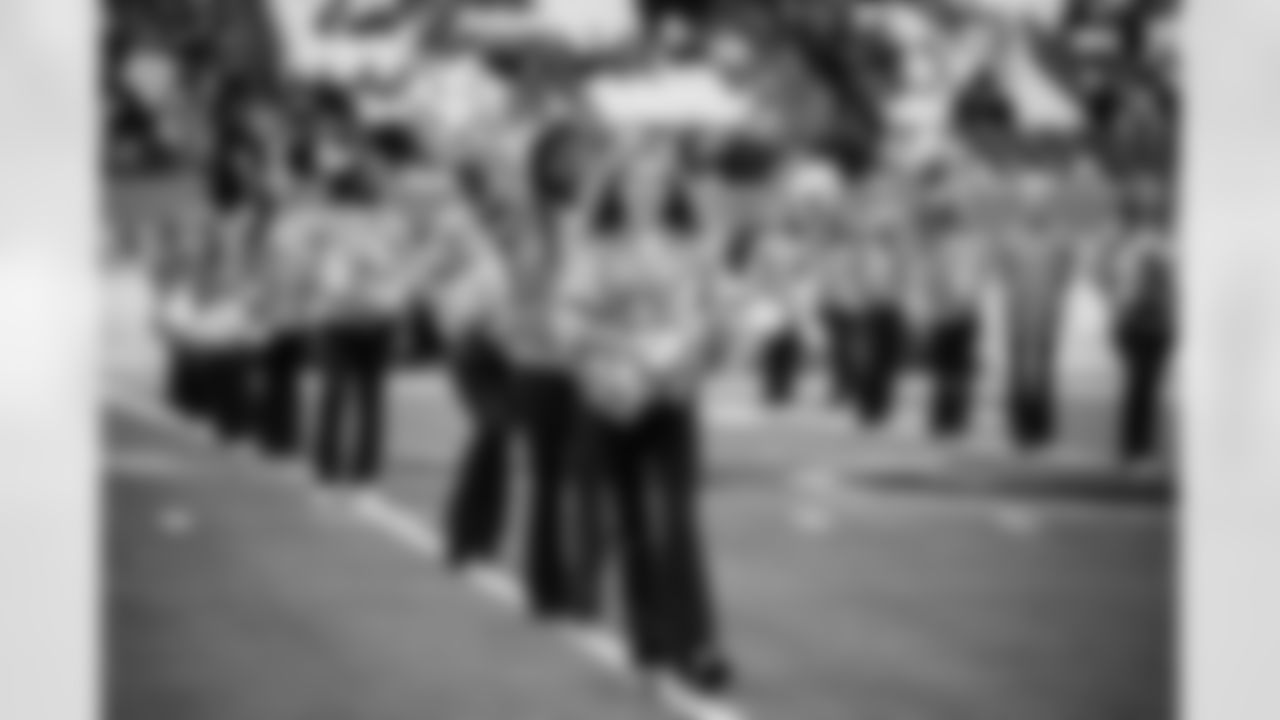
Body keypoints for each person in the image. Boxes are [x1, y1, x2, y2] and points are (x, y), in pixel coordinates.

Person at [560, 163, 734, 693]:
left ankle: (699, 645)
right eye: (635, 182)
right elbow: (569, 322)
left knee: (678, 519)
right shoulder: (593, 249)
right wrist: (619, 355)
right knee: (634, 519)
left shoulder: (695, 250)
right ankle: (650, 637)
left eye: (658, 182)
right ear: (616, 189)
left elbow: (720, 320)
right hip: (613, 396)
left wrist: (698, 349)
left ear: (672, 191)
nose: (646, 191)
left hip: (673, 395)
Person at [1103, 220, 1174, 463]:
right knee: (1141, 388)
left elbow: (1122, 292)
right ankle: (1136, 445)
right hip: (1144, 329)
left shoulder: (1137, 256)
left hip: (1147, 329)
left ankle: (1137, 444)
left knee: (1141, 389)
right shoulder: (1140, 257)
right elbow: (1122, 292)